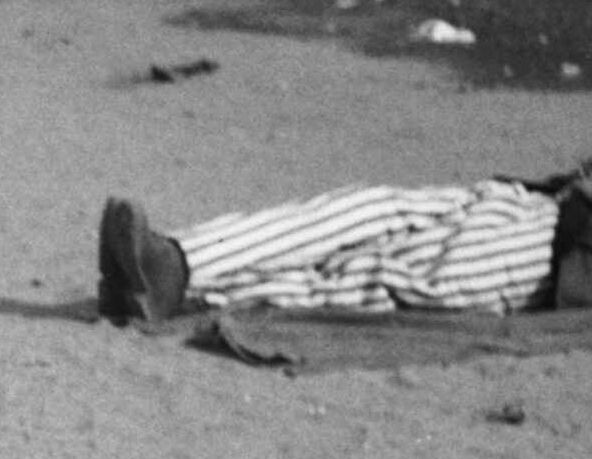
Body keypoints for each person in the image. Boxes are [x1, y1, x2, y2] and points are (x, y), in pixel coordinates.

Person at [100, 177, 590, 324]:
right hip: (532, 204)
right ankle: (178, 260)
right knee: (363, 208)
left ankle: (176, 289)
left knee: (374, 277)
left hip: (550, 258)